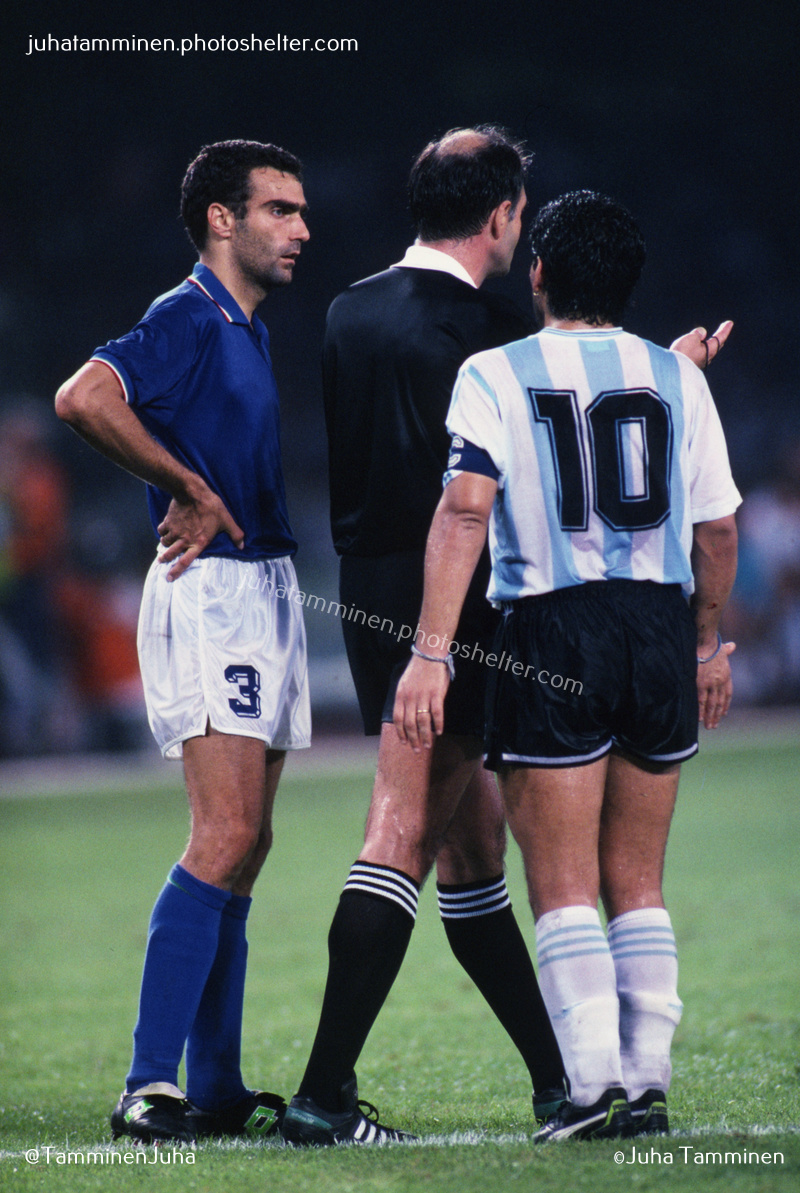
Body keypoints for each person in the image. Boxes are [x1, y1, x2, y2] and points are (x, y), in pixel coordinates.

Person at [280, 130, 729, 1147]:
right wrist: (673, 376)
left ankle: (553, 1077)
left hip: (369, 594)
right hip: (479, 606)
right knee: (406, 832)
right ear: (500, 219)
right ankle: (323, 1090)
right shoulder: (486, 331)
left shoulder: (347, 311)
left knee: (467, 851)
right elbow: (531, 456)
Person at [394, 190, 740, 1143]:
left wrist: (430, 652)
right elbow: (716, 530)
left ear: (538, 273)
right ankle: (649, 1087)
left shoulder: (493, 373)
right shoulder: (678, 377)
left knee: (562, 885)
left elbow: (466, 510)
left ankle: (589, 1096)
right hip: (658, 629)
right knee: (639, 880)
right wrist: (707, 644)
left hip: (551, 629)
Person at [55, 140, 311, 1144]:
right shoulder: (188, 316)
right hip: (212, 593)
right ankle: (146, 1081)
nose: (301, 228)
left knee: (249, 844)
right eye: (280, 210)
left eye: (300, 211)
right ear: (220, 218)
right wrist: (190, 487)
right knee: (223, 833)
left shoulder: (244, 327)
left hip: (268, 587)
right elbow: (85, 395)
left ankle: (214, 1081)